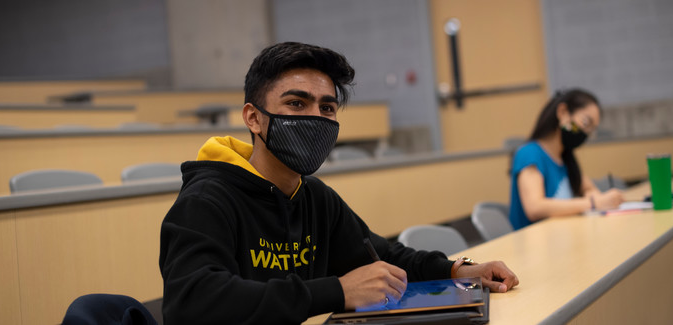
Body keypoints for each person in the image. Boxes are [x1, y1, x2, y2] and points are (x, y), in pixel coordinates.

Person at [159, 42, 518, 325]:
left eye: (327, 108)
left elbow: (384, 256)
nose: (316, 118)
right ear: (253, 118)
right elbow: (193, 302)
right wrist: (337, 291)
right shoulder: (206, 199)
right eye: (297, 103)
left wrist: (460, 271)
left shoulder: (314, 196)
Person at [508, 88, 624, 230]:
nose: (586, 133)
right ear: (562, 112)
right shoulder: (529, 153)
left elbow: (590, 189)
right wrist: (593, 203)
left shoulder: (565, 158)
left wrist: (594, 197)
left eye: (592, 129)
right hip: (534, 245)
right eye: (586, 123)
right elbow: (534, 208)